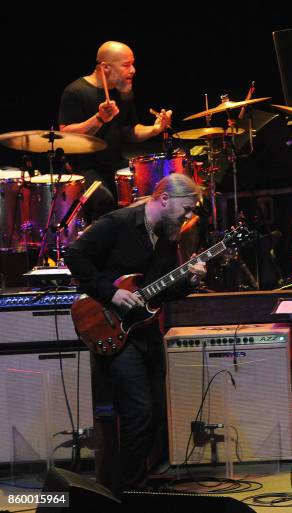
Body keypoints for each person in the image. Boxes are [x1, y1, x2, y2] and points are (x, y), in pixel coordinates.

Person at [64, 174, 206, 493]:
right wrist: (111, 294)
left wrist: (191, 281)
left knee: (156, 412)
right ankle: (131, 491)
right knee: (138, 412)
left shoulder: (169, 235)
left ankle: (137, 483)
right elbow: (74, 255)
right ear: (165, 199)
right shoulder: (119, 222)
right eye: (185, 208)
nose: (188, 216)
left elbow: (160, 292)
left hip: (143, 329)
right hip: (109, 325)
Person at [58, 40, 172, 220]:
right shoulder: (75, 91)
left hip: (114, 164)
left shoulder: (121, 92)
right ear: (105, 68)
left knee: (153, 186)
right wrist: (99, 119)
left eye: (133, 64)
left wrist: (155, 129)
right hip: (83, 169)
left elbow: (128, 130)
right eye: (127, 65)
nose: (133, 70)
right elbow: (66, 135)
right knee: (104, 199)